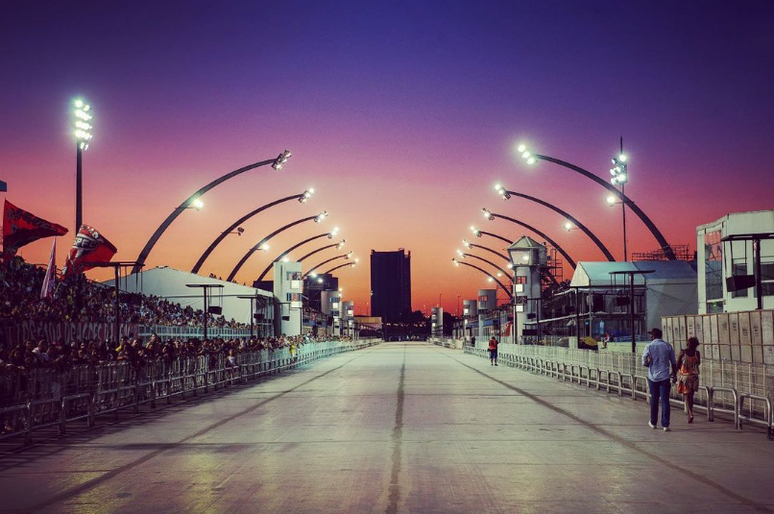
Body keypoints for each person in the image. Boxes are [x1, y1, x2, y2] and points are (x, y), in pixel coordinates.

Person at [642, 328, 677, 431]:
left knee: (654, 399)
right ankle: (665, 425)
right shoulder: (667, 346)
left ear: (653, 336)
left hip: (653, 377)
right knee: (665, 401)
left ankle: (653, 422)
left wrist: (648, 362)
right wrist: (674, 374)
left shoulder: (649, 346)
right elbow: (673, 363)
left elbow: (644, 362)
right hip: (665, 377)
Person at [676, 337, 701, 423]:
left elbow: (677, 364)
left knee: (687, 396)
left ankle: (690, 413)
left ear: (688, 344)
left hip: (685, 377)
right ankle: (691, 411)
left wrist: (675, 374)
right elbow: (698, 363)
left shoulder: (683, 352)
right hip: (694, 377)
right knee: (691, 396)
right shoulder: (697, 353)